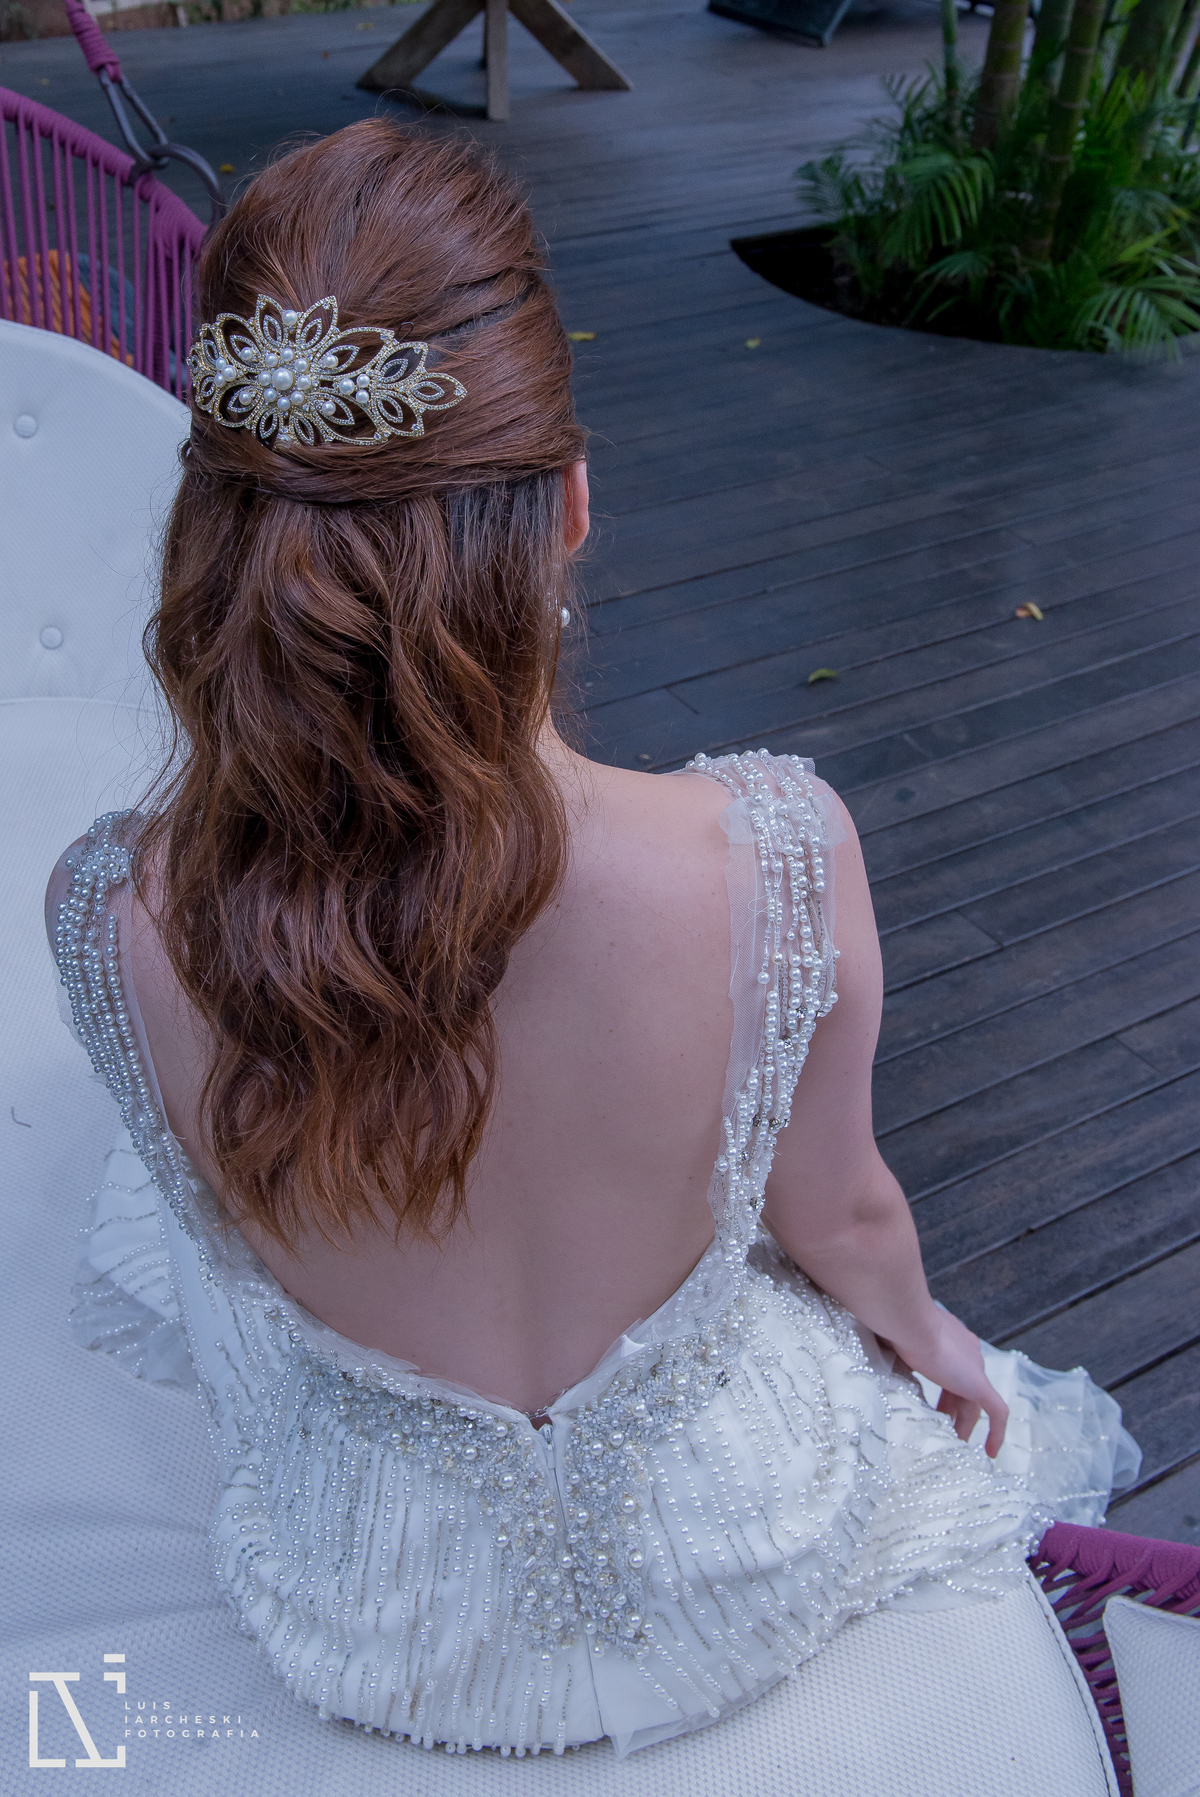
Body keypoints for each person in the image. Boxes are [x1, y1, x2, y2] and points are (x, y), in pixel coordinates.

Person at [45, 120, 1135, 1789]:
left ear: (220, 541)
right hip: (730, 1572)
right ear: (567, 506)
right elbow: (843, 1217)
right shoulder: (777, 854)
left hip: (375, 1616)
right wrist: (929, 1340)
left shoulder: (108, 914)